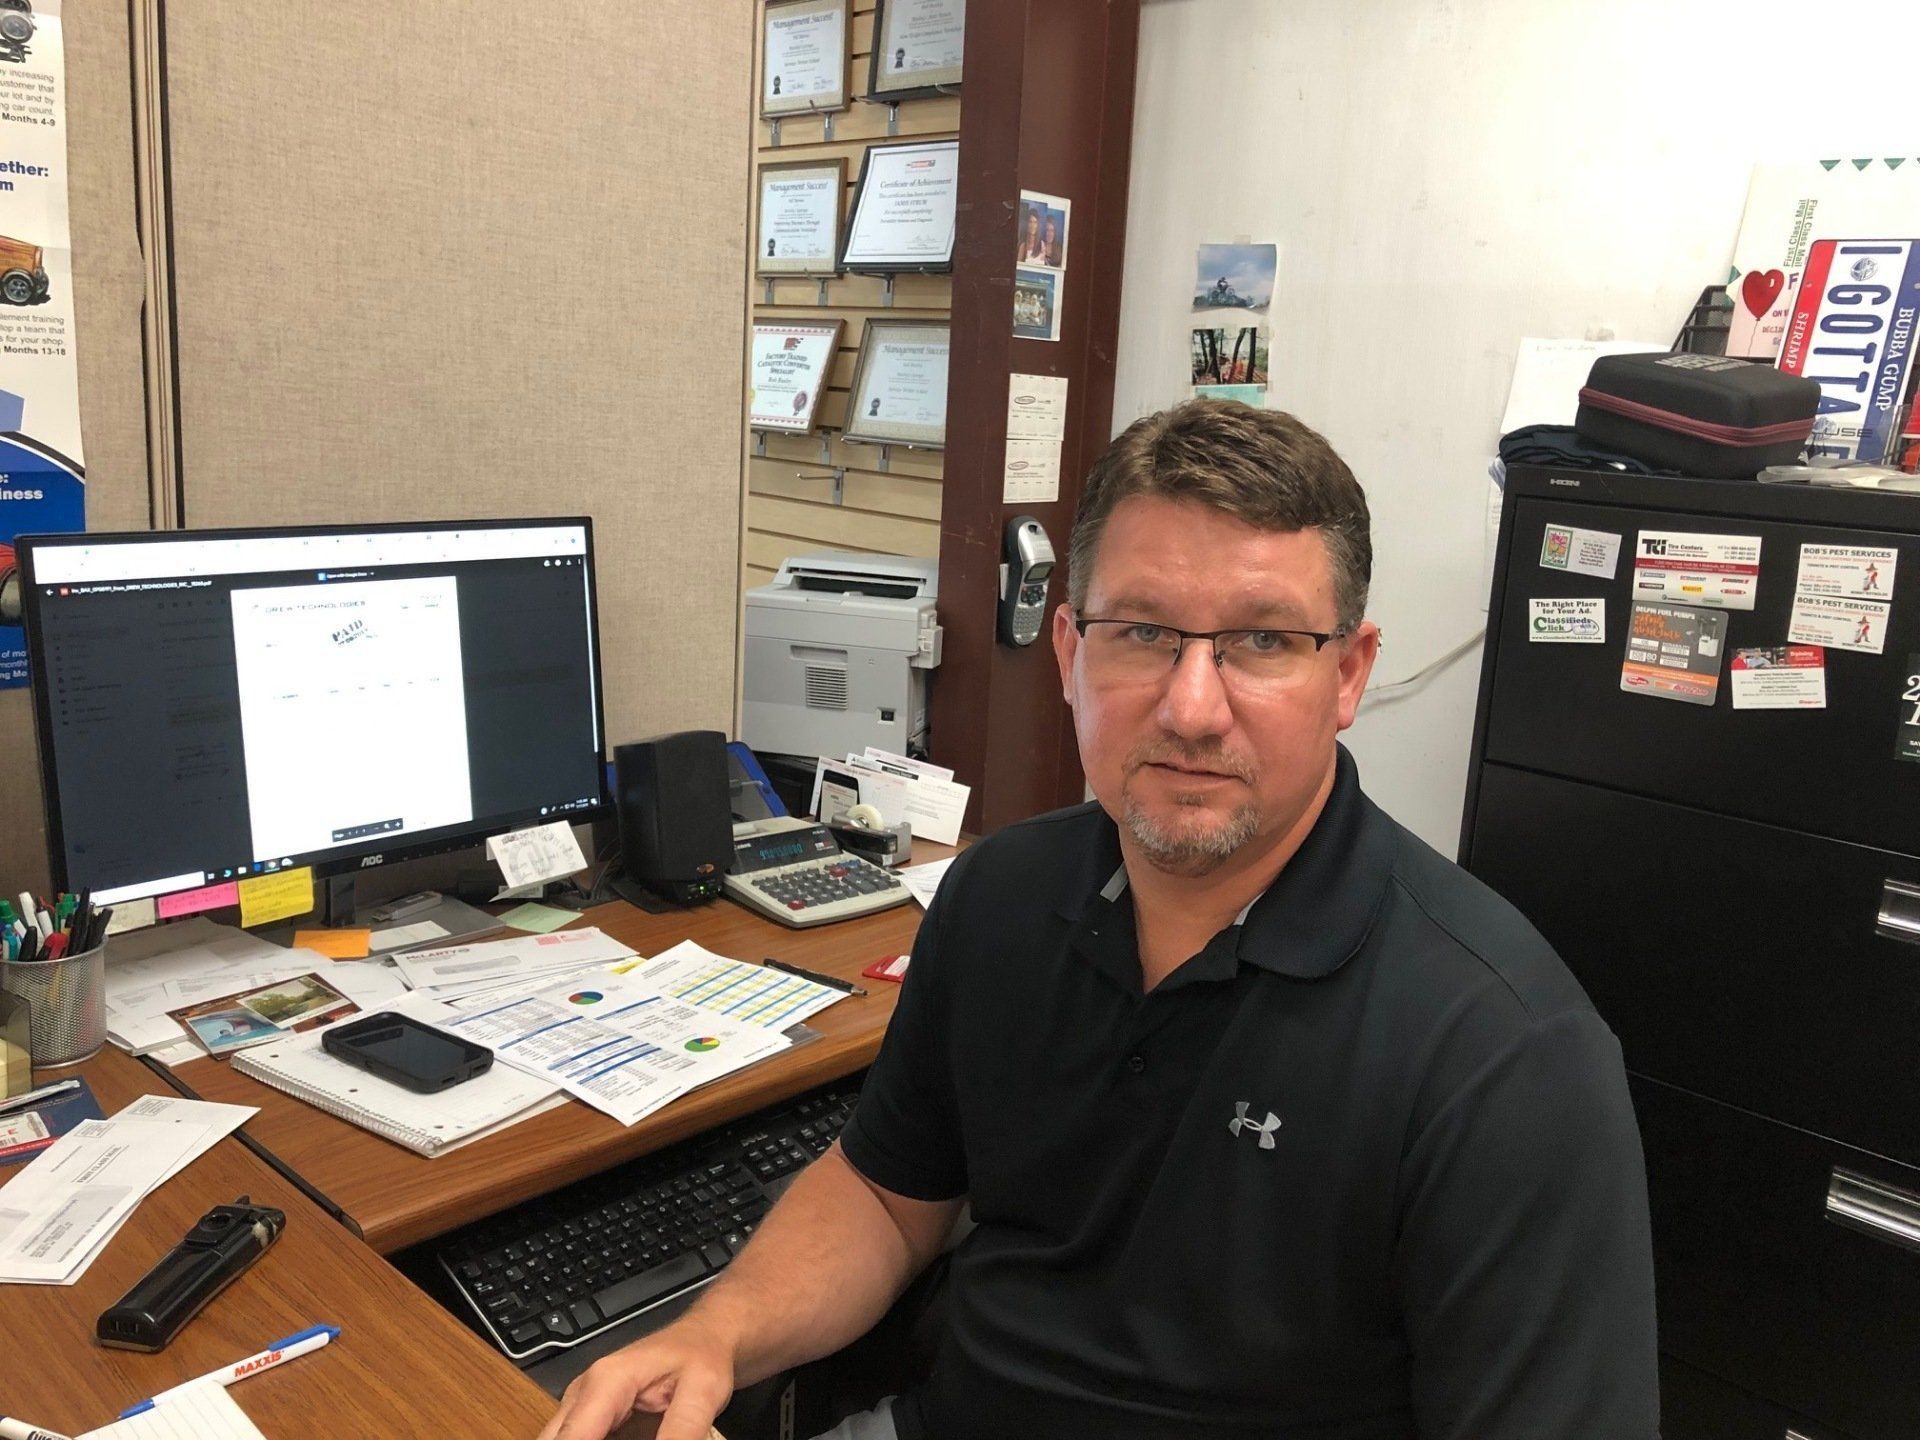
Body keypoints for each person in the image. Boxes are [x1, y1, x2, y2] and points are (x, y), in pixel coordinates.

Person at [538, 400, 1658, 1440]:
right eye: (1143, 633)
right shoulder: (997, 899)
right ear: (1072, 654)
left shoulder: (1504, 1055)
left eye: (1264, 641)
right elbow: (888, 1197)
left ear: (1349, 675)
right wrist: (718, 1331)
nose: (1190, 705)